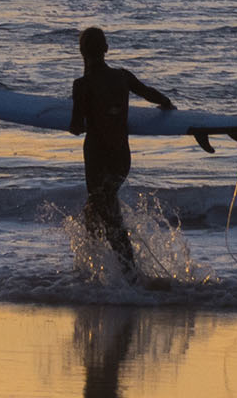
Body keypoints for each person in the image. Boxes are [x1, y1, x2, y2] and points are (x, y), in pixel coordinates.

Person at [68, 26, 174, 275]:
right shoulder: (123, 77)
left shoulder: (82, 84)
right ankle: (95, 272)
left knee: (106, 215)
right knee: (95, 211)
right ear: (106, 49)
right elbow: (152, 95)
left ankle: (129, 277)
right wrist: (168, 105)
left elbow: (76, 126)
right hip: (120, 158)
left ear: (81, 51)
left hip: (97, 157)